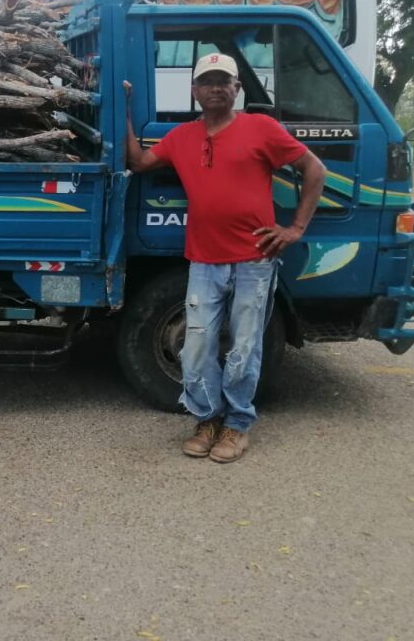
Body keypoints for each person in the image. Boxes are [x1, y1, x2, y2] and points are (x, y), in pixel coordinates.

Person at [125, 53, 326, 463]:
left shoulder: (261, 128)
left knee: (244, 348)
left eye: (223, 81)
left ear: (237, 88)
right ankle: (207, 419)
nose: (215, 88)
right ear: (195, 90)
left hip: (255, 260)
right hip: (204, 260)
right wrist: (123, 110)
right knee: (197, 347)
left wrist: (295, 228)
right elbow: (140, 162)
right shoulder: (181, 137)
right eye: (207, 81)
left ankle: (237, 426)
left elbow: (314, 168)